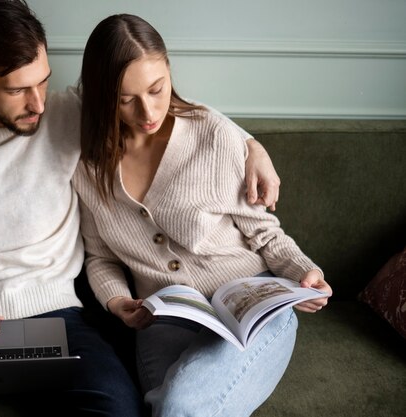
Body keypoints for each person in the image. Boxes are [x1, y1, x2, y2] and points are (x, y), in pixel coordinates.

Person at [0, 1, 283, 416]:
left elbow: (166, 106)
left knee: (118, 409)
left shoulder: (71, 112)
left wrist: (250, 146)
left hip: (61, 318)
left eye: (43, 82)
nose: (37, 103)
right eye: (17, 90)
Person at [72, 14, 333, 417]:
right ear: (102, 96)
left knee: (179, 405)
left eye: (157, 89)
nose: (147, 110)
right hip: (165, 319)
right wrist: (118, 301)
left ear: (169, 71)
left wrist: (303, 273)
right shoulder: (88, 168)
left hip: (251, 305)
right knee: (171, 407)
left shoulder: (213, 133)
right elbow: (100, 257)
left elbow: (264, 234)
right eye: (126, 99)